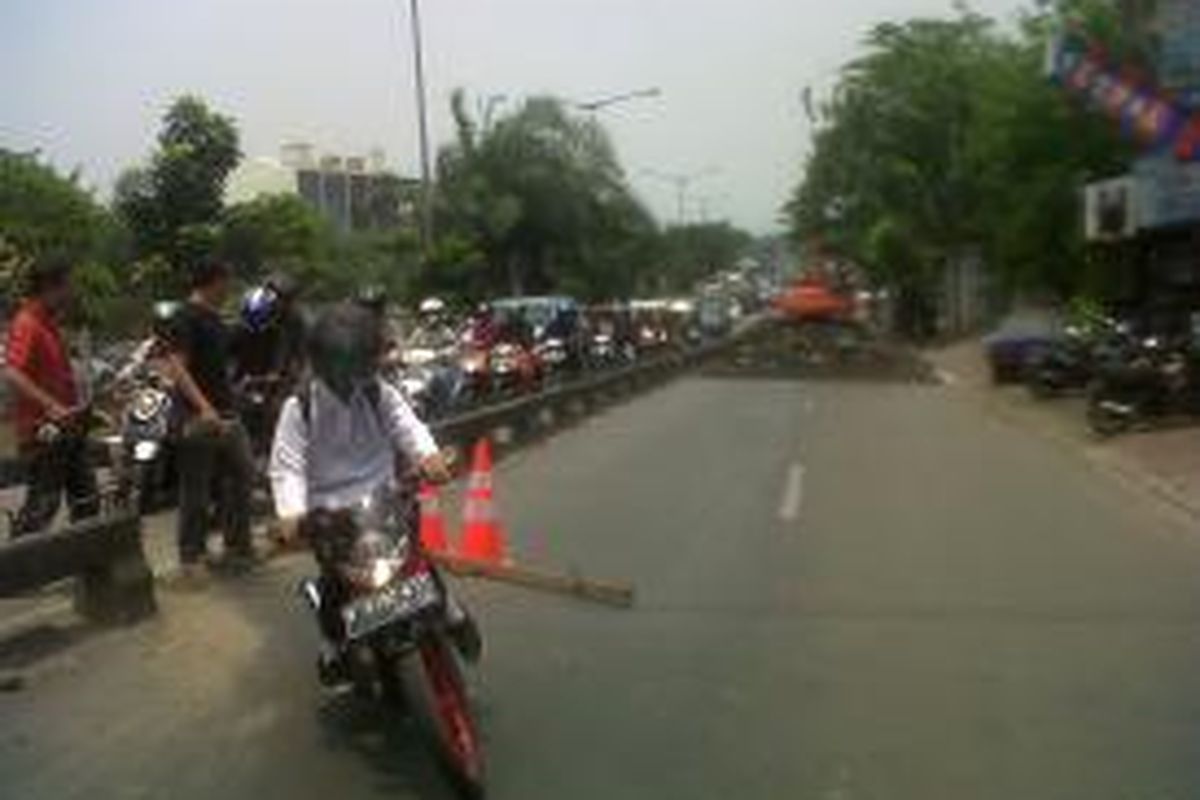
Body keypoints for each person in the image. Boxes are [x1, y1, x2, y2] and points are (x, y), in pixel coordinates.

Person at [268, 302, 478, 679]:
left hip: (385, 498)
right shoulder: (298, 409)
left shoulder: (379, 393)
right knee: (335, 582)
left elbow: (409, 428)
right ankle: (333, 645)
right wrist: (291, 515)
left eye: (360, 363)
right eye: (343, 365)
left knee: (417, 563)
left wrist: (429, 456)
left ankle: (450, 612)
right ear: (320, 363)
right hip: (329, 514)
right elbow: (287, 468)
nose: (352, 375)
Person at [162, 259, 255, 581]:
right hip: (196, 417)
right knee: (196, 489)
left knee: (244, 474)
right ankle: (191, 558)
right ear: (213, 282)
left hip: (227, 414)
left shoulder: (216, 319)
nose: (229, 289)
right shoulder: (184, 316)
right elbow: (176, 366)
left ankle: (237, 546)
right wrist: (204, 408)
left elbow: (218, 366)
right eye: (226, 282)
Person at [3, 253, 99, 537]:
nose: (72, 292)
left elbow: (57, 377)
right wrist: (53, 407)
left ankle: (90, 567)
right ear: (50, 287)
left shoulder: (49, 323)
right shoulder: (27, 323)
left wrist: (79, 409)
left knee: (87, 501)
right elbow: (12, 373)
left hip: (68, 429)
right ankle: (16, 571)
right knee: (41, 509)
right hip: (43, 432)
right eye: (68, 285)